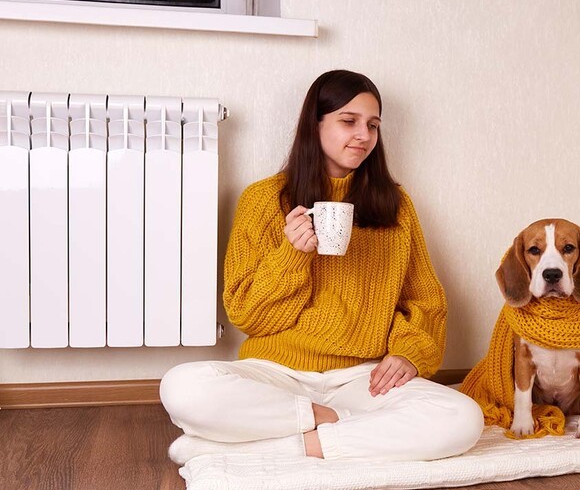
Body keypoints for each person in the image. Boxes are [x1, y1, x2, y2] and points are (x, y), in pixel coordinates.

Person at [160, 70, 483, 464]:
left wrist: (410, 353)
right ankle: (332, 424)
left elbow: (425, 300)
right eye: (349, 121)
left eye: (373, 125)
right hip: (277, 375)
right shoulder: (263, 199)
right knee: (182, 386)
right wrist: (293, 254)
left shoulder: (395, 206)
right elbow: (247, 315)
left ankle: (282, 446)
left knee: (462, 417)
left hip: (363, 378)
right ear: (315, 124)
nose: (363, 135)